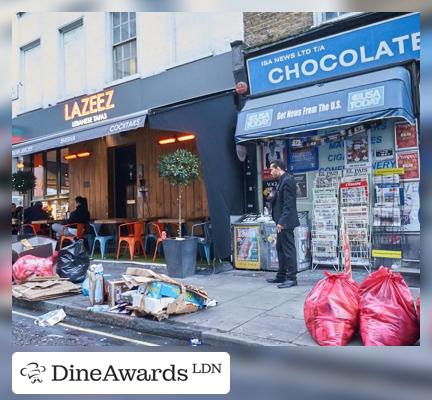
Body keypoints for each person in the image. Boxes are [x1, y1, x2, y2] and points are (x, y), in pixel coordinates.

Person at [266, 159, 300, 288]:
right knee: (280, 249)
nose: (270, 172)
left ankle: (292, 278)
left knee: (288, 250)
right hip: (281, 222)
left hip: (285, 223)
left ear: (278, 168)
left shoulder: (288, 180)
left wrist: (282, 222)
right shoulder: (281, 181)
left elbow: (288, 205)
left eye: (271, 169)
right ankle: (281, 275)